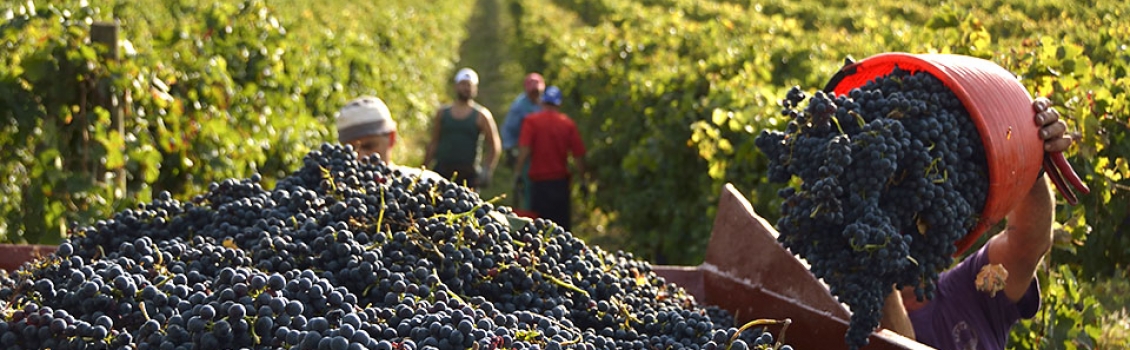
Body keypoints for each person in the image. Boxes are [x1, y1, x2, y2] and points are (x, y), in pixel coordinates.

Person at [879, 97, 1072, 350]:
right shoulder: (839, 308)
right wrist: (876, 274)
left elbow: (1026, 244)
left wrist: (1031, 157)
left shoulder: (970, 289)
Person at [515, 86, 587, 232]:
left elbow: (525, 150)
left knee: (539, 229)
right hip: (560, 184)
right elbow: (578, 154)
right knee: (561, 229)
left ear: (542, 102)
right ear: (559, 104)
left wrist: (517, 172)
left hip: (539, 184)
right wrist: (583, 178)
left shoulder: (531, 121)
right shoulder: (567, 123)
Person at [424, 68, 502, 191]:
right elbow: (434, 141)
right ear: (456, 86)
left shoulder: (482, 115)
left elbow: (494, 145)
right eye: (463, 84)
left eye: (470, 85)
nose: (466, 88)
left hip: (468, 175)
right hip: (442, 172)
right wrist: (424, 167)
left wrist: (487, 169)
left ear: (475, 89)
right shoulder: (443, 113)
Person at [335, 96, 441, 180]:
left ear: (391, 137)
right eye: (351, 150)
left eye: (369, 146)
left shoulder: (426, 183)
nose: (360, 156)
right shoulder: (334, 193)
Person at [502, 73, 545, 211]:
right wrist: (511, 149)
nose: (535, 94)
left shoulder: (544, 103)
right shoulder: (519, 107)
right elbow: (508, 130)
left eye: (537, 91)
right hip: (526, 154)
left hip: (543, 153)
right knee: (529, 188)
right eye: (532, 91)